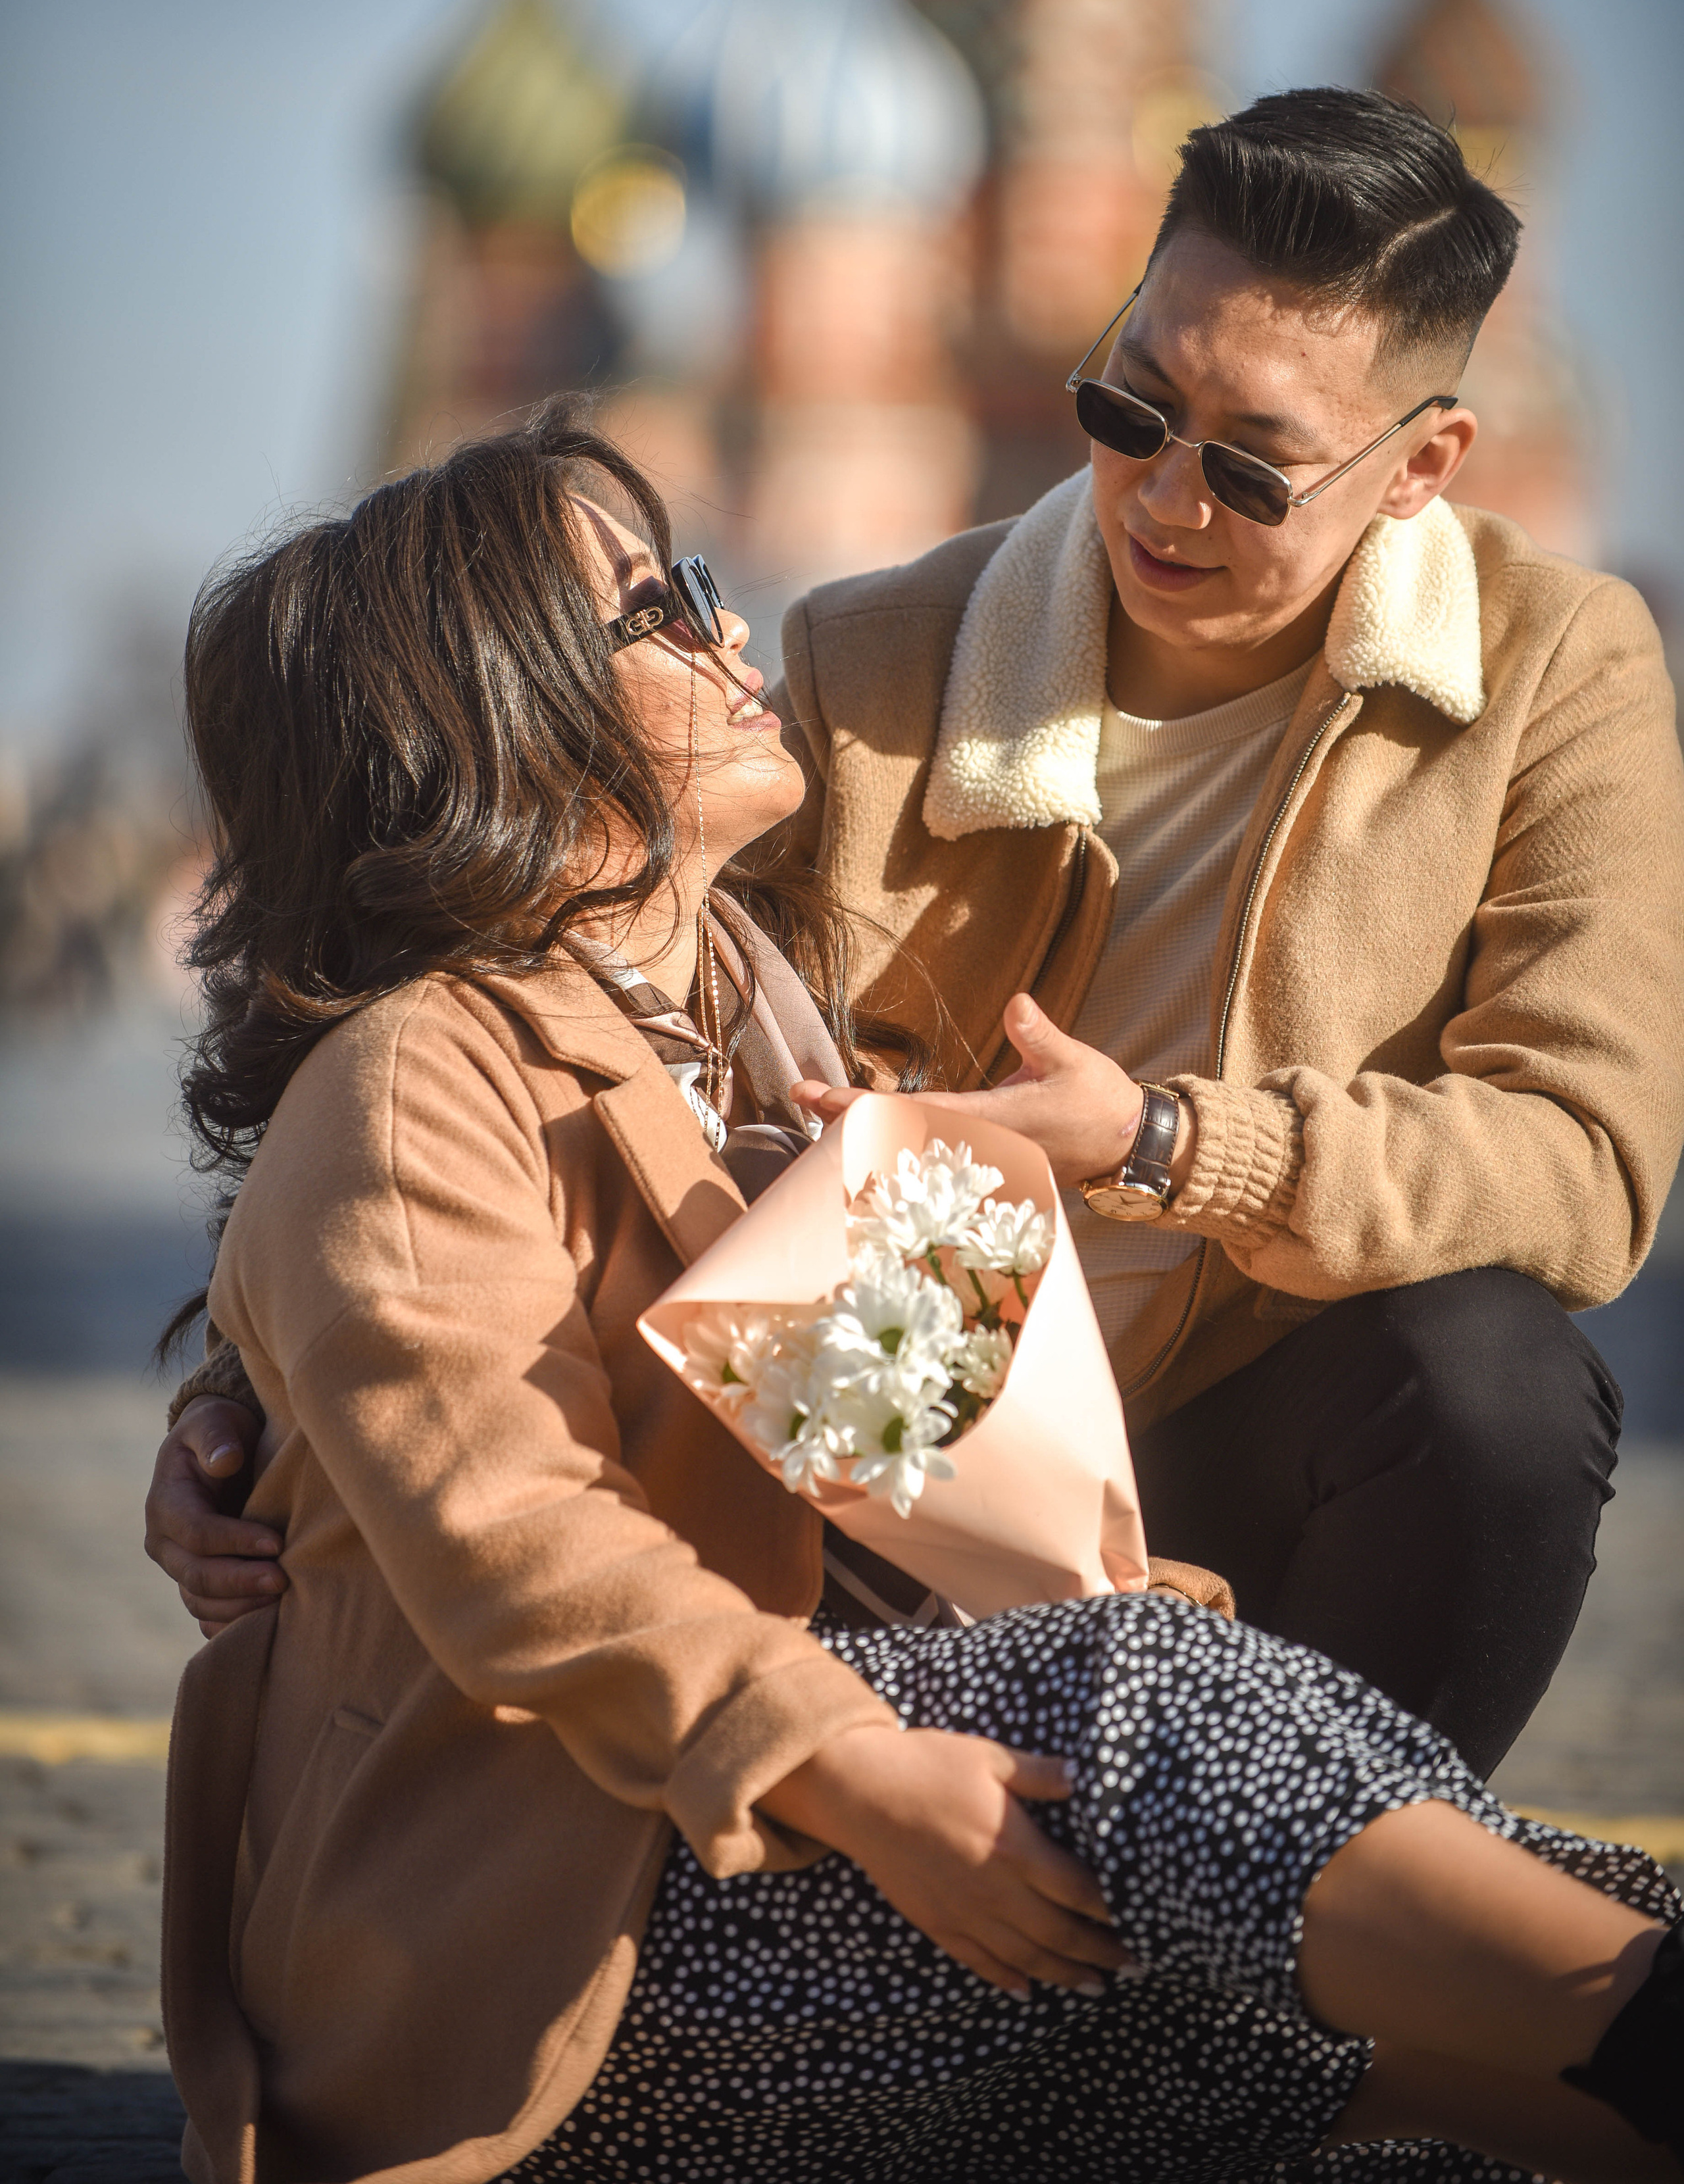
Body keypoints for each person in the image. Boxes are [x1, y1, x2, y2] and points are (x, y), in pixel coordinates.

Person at [146, 403, 1681, 2184]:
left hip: (839, 1843)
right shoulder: (425, 1068)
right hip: (581, 1941)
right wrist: (862, 1769)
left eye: (699, 584)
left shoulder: (773, 1005)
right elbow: (515, 1530)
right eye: (655, 607)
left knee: (1497, 1942)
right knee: (1145, 1714)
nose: (731, 632)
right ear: (493, 710)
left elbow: (966, 1486)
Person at [770, 87, 1684, 1779]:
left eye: (1250, 462)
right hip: (898, 1413)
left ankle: (1315, 1934)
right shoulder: (870, 659)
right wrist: (248, 1398)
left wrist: (1169, 1148)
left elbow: (1584, 1163)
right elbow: (560, 1019)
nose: (1163, 498)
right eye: (1131, 401)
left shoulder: (1558, 666)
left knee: (1491, 1376)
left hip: (1262, 1423)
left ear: (1422, 463)